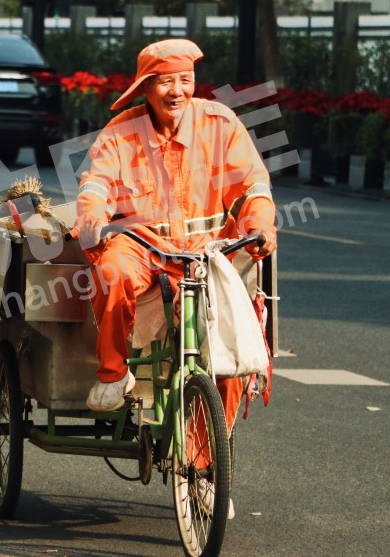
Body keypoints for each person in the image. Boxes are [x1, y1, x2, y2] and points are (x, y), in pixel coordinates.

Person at [73, 38, 277, 424]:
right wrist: (94, 218)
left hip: (208, 254)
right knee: (111, 272)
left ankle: (204, 466)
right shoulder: (120, 133)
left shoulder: (220, 124)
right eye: (166, 82)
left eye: (185, 80)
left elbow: (251, 187)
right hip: (142, 248)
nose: (177, 91)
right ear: (146, 88)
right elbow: (95, 185)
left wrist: (260, 223)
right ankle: (114, 374)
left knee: (232, 352)